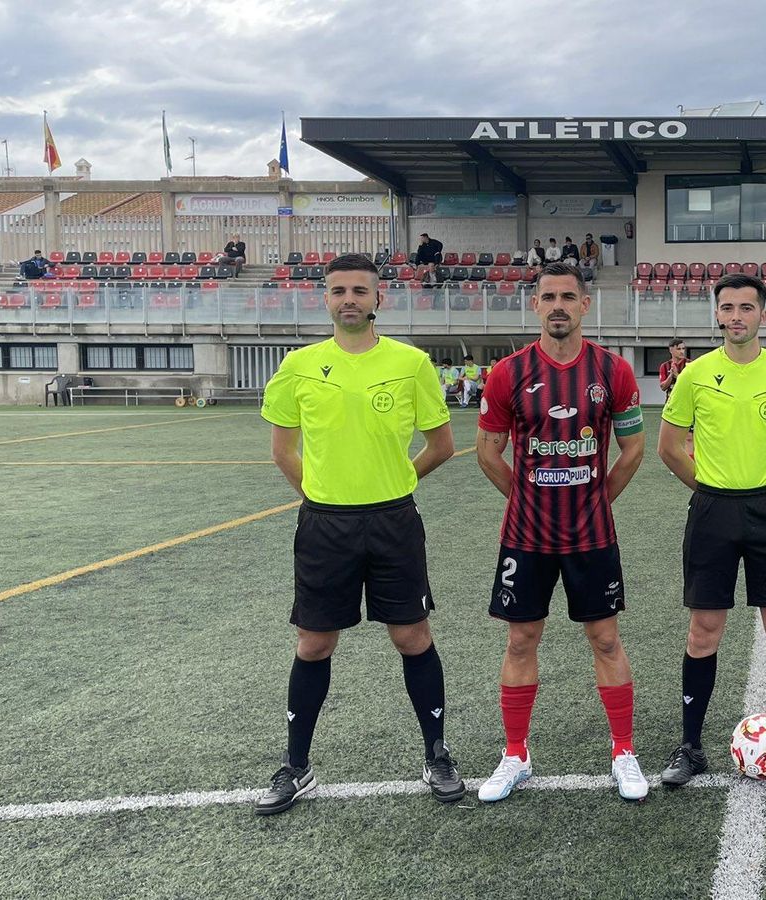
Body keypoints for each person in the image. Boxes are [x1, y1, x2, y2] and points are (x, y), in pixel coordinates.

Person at [253, 253, 462, 815]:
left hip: (393, 520)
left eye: (360, 291)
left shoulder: (412, 362)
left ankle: (437, 755)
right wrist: (322, 497)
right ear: (326, 298)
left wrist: (395, 483)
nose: (349, 299)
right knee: (314, 642)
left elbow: (441, 445)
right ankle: (297, 767)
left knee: (411, 637)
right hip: (325, 525)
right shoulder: (298, 365)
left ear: (378, 299)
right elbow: (282, 450)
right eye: (339, 290)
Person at [474, 261, 649, 803]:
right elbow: (488, 451)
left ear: (584, 305)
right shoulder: (507, 372)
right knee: (521, 638)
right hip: (525, 537)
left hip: (591, 536)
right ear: (535, 305)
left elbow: (633, 448)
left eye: (567, 297)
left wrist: (594, 499)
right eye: (547, 296)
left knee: (605, 638)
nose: (557, 305)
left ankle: (623, 752)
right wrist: (528, 499)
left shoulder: (613, 371)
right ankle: (515, 753)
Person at [656, 272, 766, 787]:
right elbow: (669, 446)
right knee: (703, 631)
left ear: (763, 314)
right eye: (728, 307)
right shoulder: (693, 375)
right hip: (712, 512)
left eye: (747, 307)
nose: (737, 316)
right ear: (717, 314)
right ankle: (690, 747)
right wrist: (708, 491)